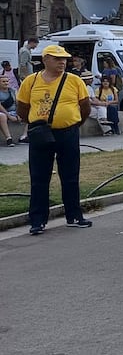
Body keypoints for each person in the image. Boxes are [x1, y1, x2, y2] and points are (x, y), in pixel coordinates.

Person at [16, 45, 92, 235]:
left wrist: (71, 122)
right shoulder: (31, 82)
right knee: (39, 177)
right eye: (57, 59)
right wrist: (36, 123)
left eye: (64, 59)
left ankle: (74, 215)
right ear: (45, 60)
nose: (62, 62)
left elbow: (85, 108)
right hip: (40, 133)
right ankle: (37, 220)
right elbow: (22, 108)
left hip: (67, 132)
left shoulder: (74, 81)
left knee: (70, 176)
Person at [81, 71, 112, 136]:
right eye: (90, 79)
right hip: (83, 107)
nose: (92, 80)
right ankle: (106, 128)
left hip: (91, 106)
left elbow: (94, 98)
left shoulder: (89, 88)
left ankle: (104, 123)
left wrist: (101, 103)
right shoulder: (81, 88)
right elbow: (88, 102)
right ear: (86, 80)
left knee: (102, 109)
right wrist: (100, 104)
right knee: (100, 112)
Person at [0, 76, 19, 145]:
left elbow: (17, 103)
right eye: (3, 82)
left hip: (14, 112)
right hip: (3, 112)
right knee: (2, 116)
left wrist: (19, 114)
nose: (6, 83)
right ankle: (9, 138)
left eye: (7, 81)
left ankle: (24, 136)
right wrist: (9, 116)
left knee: (28, 113)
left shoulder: (13, 91)